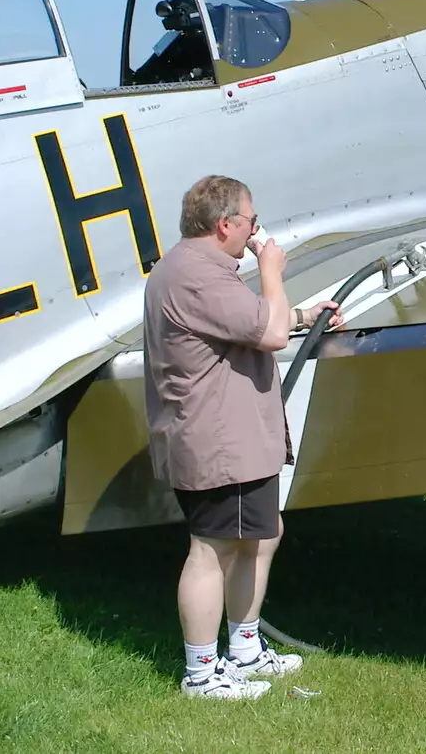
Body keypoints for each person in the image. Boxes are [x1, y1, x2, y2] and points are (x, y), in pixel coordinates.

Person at [143, 175, 343, 700]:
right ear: (225, 225)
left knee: (261, 534)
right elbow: (270, 333)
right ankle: (202, 674)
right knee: (213, 550)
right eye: (252, 220)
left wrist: (304, 315)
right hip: (218, 443)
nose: (257, 229)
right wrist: (272, 271)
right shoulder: (198, 276)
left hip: (232, 440)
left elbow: (250, 323)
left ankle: (245, 649)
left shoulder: (196, 269)